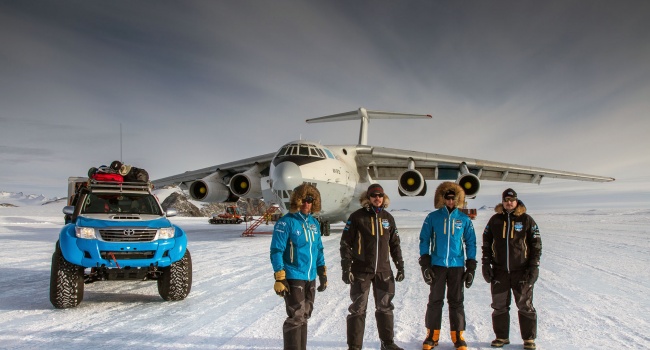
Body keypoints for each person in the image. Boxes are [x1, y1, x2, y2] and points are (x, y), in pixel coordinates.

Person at [340, 183, 405, 350]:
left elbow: (395, 244)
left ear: (384, 198)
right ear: (368, 198)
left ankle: (387, 343)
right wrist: (346, 268)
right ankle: (354, 346)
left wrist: (400, 265)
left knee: (385, 307)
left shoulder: (388, 218)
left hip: (384, 271)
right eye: (374, 195)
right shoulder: (357, 217)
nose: (377, 198)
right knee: (358, 309)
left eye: (380, 195)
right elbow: (346, 243)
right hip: (361, 271)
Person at [418, 182, 477, 350]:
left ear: (457, 200)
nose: (450, 202)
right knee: (435, 300)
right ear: (443, 199)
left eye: (453, 199)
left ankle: (458, 336)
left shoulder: (464, 219)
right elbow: (424, 239)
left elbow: (470, 242)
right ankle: (432, 335)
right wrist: (425, 262)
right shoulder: (433, 217)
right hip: (438, 265)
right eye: (447, 198)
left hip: (457, 266)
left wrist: (471, 265)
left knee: (456, 301)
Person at [481, 188, 542, 350]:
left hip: (521, 271)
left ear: (516, 201)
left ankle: (528, 339)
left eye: (512, 200)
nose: (509, 203)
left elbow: (536, 245)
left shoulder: (526, 220)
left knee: (525, 305)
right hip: (500, 271)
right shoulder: (495, 220)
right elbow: (486, 242)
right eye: (506, 200)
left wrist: (534, 266)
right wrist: (486, 263)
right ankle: (501, 337)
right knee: (499, 305)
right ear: (502, 201)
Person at [269, 183, 327, 350]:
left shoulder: (314, 224)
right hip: (294, 275)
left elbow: (319, 249)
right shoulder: (286, 222)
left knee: (305, 315)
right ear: (297, 201)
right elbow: (276, 250)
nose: (306, 203)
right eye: (303, 200)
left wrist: (322, 272)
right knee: (296, 316)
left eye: (310, 200)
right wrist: (280, 277)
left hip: (310, 277)